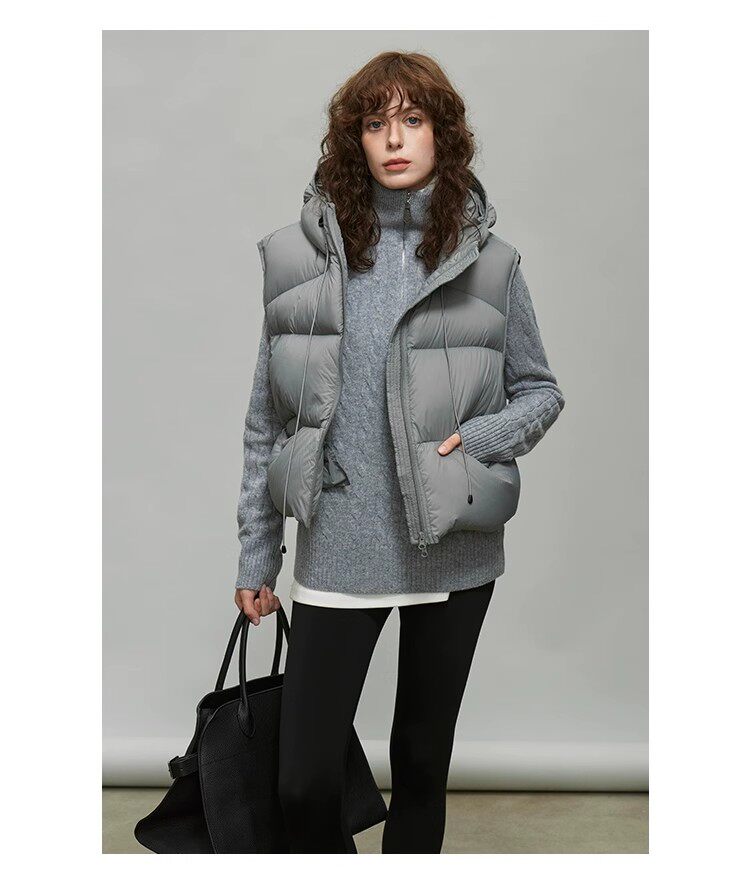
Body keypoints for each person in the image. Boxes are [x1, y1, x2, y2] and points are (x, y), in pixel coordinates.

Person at [233, 51, 565, 853]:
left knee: (420, 764)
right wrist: (257, 554)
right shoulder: (297, 260)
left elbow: (540, 391)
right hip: (340, 545)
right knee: (303, 780)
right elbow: (267, 421)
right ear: (353, 139)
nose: (393, 139)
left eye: (412, 120)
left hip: (453, 548)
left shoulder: (490, 263)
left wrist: (476, 439)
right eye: (375, 122)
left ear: (442, 134)